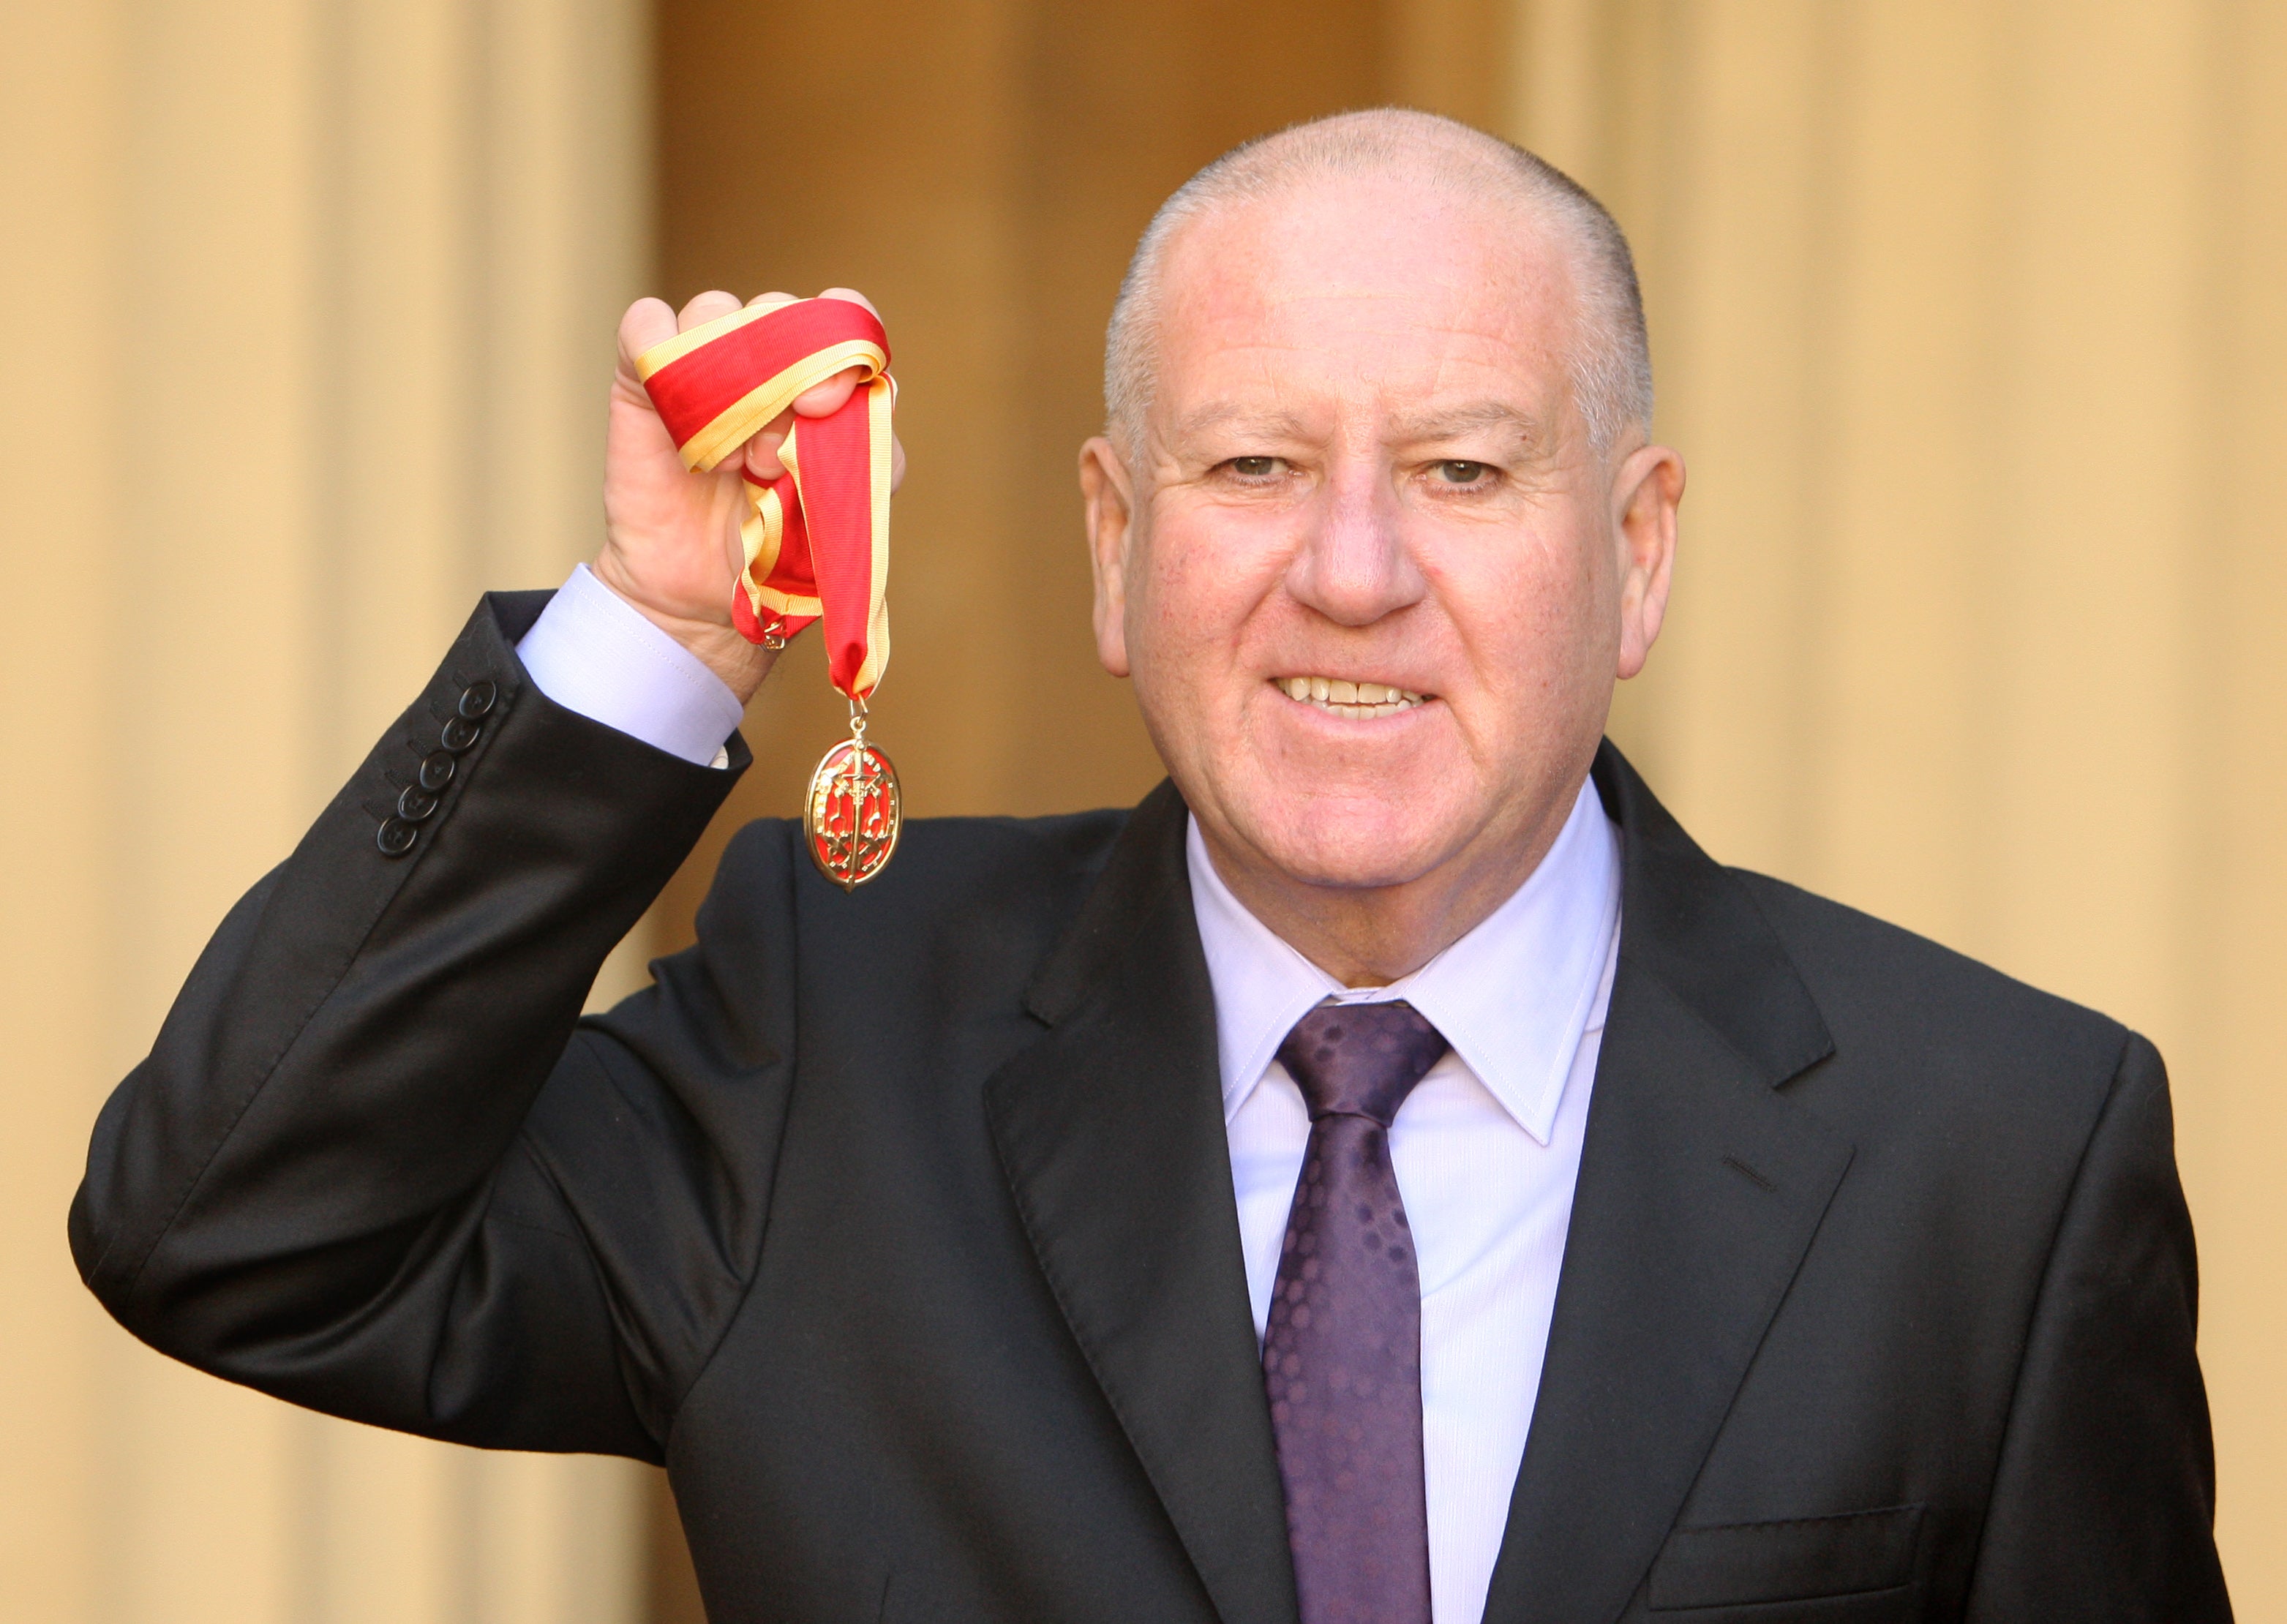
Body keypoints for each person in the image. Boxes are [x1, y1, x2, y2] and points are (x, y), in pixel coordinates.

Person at [72, 109, 2229, 1623]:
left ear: (1637, 548)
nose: (1352, 571)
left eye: (1464, 470)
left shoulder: (2000, 1156)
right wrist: (656, 629)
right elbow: (233, 1227)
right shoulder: (829, 1036)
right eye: (1255, 464)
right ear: (1120, 544)